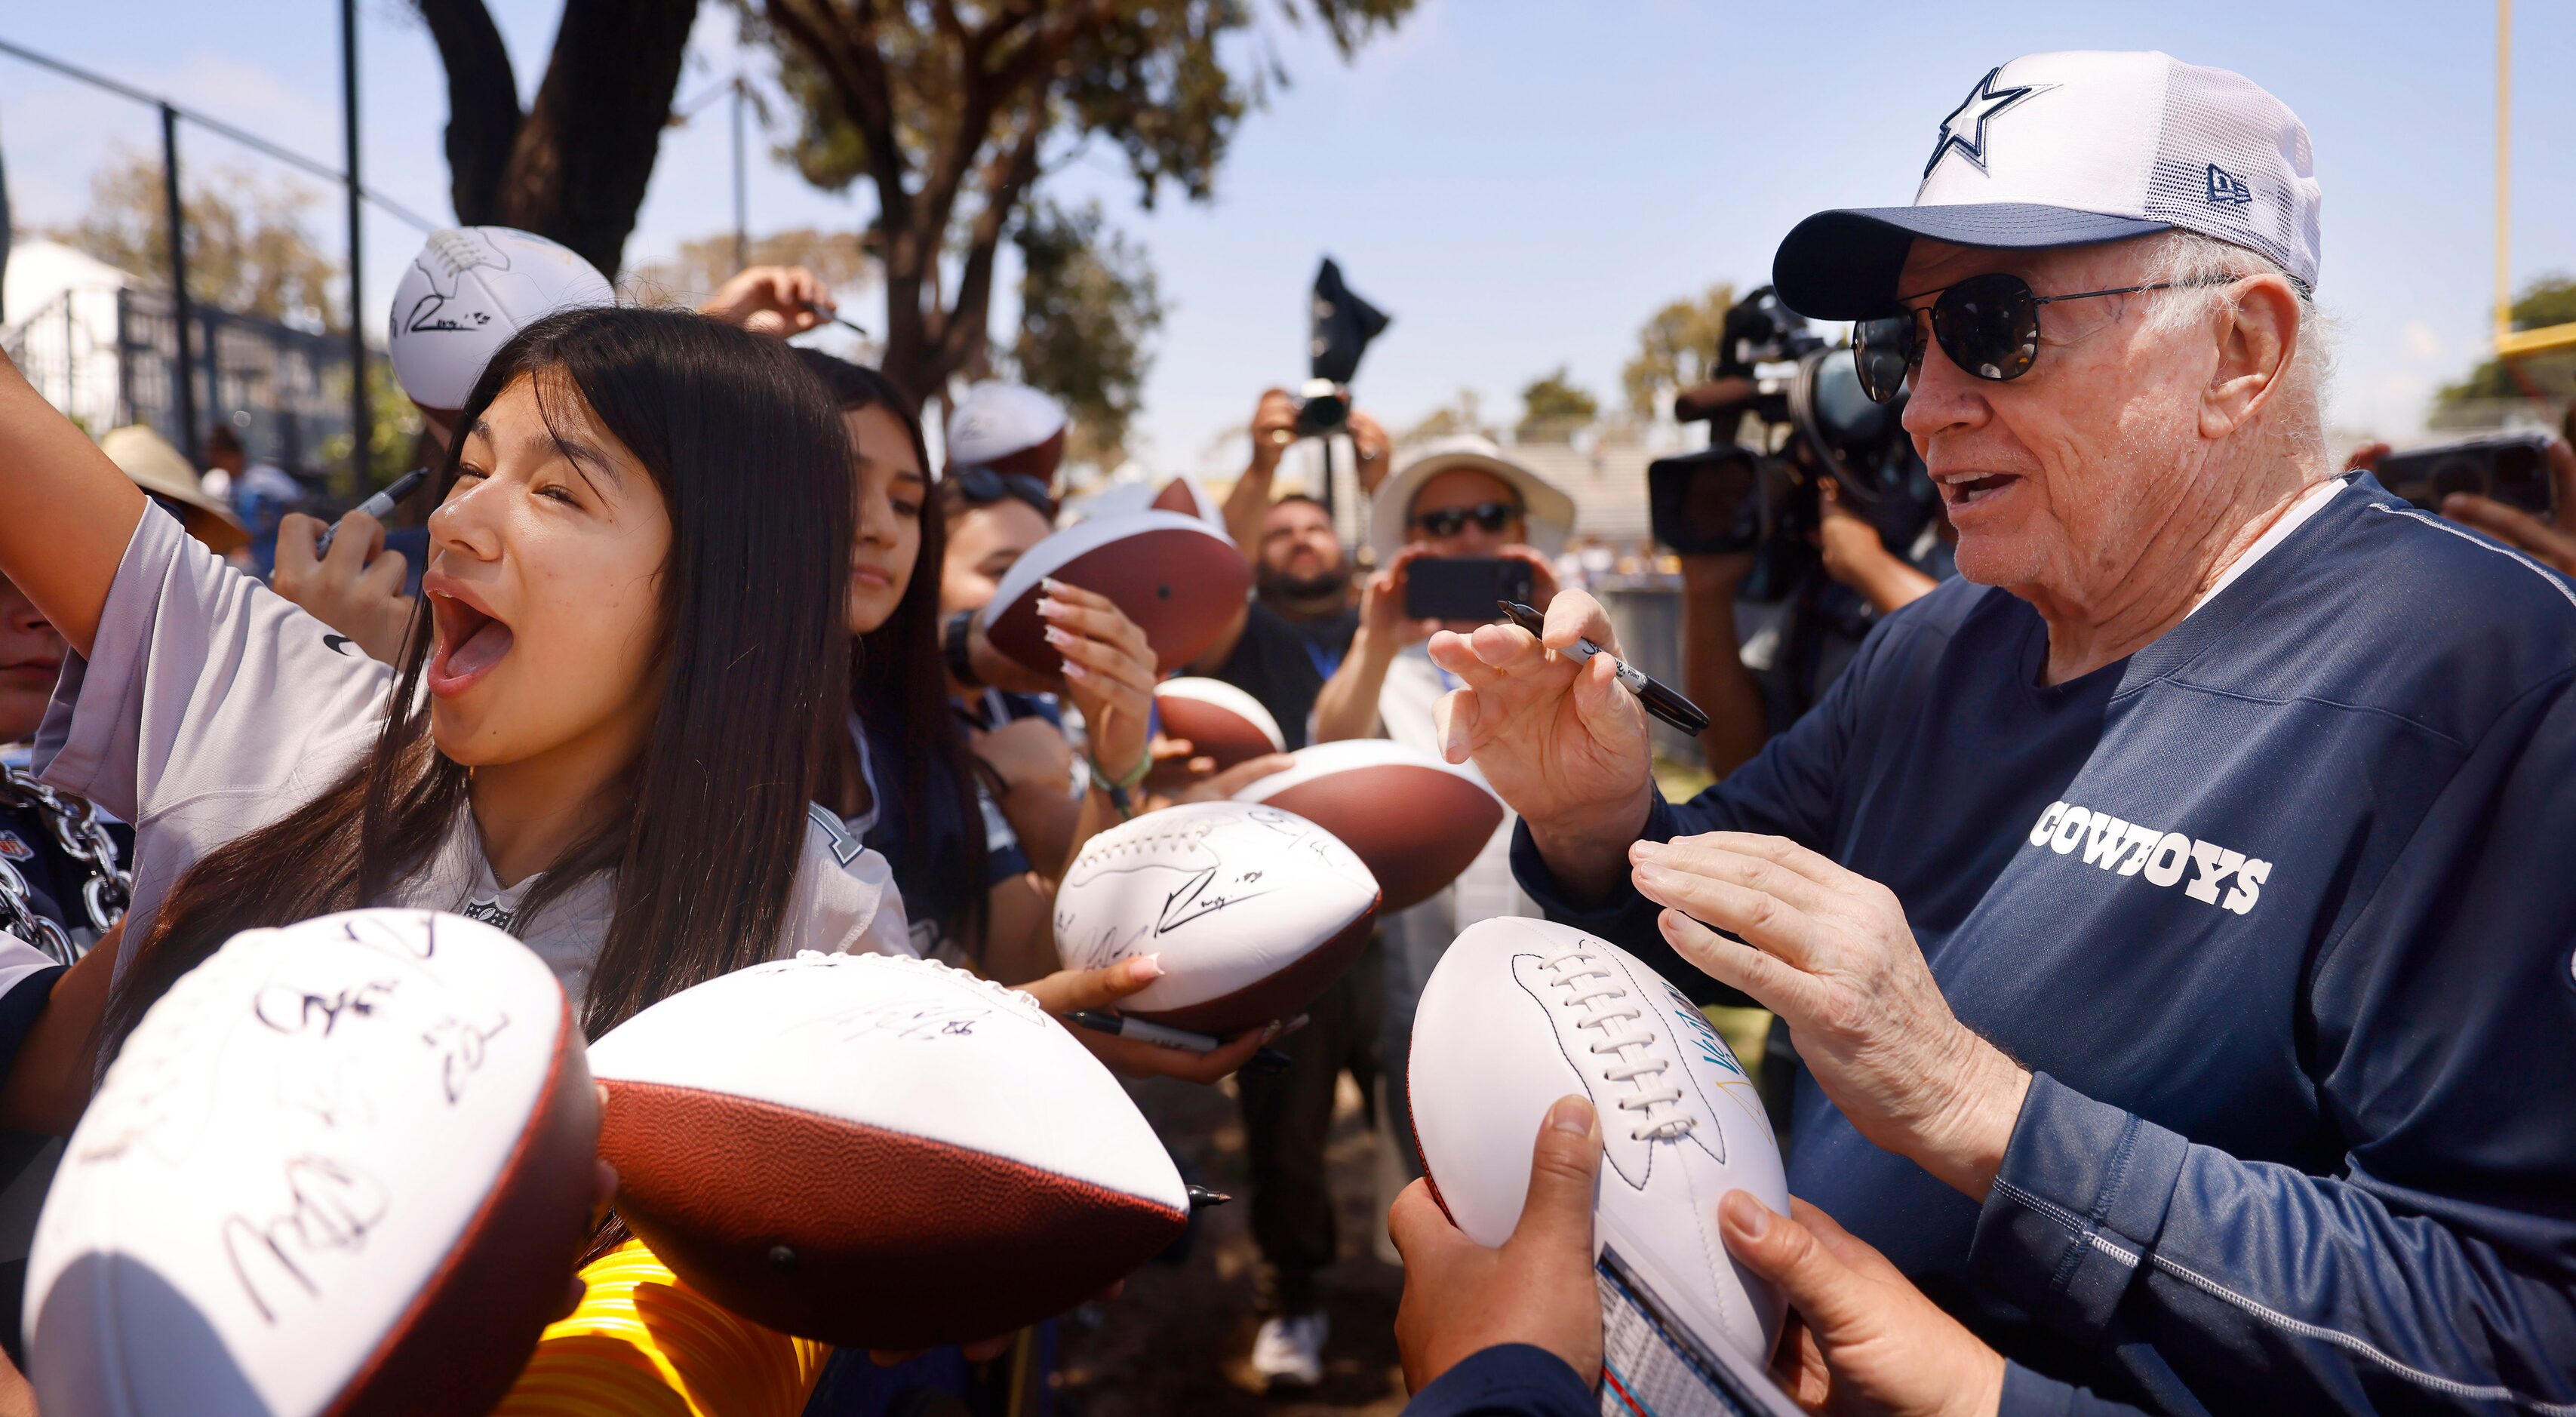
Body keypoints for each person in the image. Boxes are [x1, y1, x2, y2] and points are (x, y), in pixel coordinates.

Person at [1404, 51, 2576, 1413]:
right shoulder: (1936, 644)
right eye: (1901, 342)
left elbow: (2519, 1329)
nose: (1918, 403)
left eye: (1990, 325)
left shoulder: (2483, 684)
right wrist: (1597, 821)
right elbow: (1698, 912)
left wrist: (1984, 1125)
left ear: (2237, 351)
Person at [0, 306, 921, 1149]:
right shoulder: (290, 700)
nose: (452, 519)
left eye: (558, 492)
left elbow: (906, 1239)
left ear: (728, 585)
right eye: (471, 469)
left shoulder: (817, 915)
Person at [203, 423, 306, 574]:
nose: (221, 465)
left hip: (275, 553)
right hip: (247, 558)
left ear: (235, 455)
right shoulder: (218, 483)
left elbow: (298, 501)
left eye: (223, 458)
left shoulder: (265, 480)